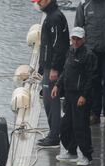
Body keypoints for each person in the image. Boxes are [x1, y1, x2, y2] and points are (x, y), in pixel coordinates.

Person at [51, 27, 98, 166]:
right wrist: (57, 85)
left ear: (84, 39)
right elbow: (65, 71)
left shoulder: (89, 55)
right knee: (65, 126)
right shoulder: (70, 51)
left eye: (78, 39)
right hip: (69, 94)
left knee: (81, 126)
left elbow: (92, 78)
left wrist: (84, 95)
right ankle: (72, 152)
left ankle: (87, 156)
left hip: (81, 96)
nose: (76, 41)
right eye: (73, 38)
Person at [75, 0, 105, 126]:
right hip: (91, 53)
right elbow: (78, 28)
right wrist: (77, 50)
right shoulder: (84, 5)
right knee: (93, 83)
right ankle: (94, 114)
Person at [32, 0, 70, 147]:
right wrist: (42, 66)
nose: (37, 3)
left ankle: (54, 136)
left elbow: (59, 45)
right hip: (48, 66)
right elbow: (47, 46)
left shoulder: (54, 17)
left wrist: (54, 68)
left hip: (53, 68)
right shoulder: (51, 15)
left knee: (51, 101)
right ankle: (53, 133)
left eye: (39, 1)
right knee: (48, 101)